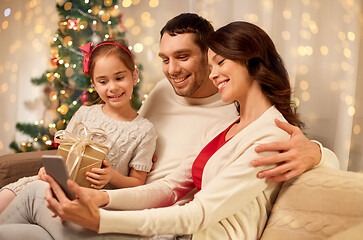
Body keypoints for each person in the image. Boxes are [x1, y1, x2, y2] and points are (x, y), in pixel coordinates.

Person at [0, 20, 325, 240]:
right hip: (148, 218)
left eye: (220, 63)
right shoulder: (224, 125)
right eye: (212, 66)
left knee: (28, 205)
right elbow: (171, 186)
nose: (214, 74)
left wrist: (320, 153)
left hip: (177, 231)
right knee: (25, 221)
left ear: (252, 61)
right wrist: (98, 197)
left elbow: (198, 213)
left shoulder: (271, 134)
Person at [0, 40, 157, 213]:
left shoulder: (144, 130)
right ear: (94, 84)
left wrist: (112, 176)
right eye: (103, 82)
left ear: (134, 76)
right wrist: (48, 171)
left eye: (119, 78)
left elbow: (138, 183)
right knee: (7, 196)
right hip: (56, 185)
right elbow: (63, 155)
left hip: (89, 200)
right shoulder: (85, 113)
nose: (113, 87)